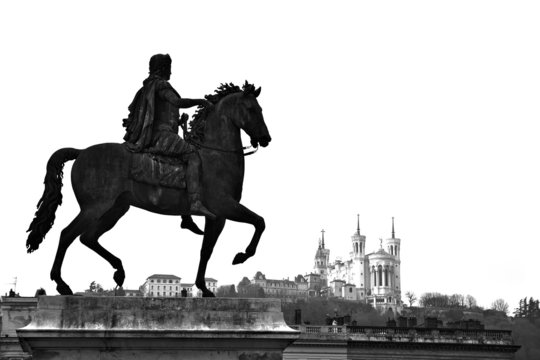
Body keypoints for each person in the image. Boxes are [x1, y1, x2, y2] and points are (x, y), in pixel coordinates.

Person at [123, 54, 215, 230]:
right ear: (163, 68)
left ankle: (186, 218)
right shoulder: (161, 85)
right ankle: (195, 202)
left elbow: (162, 112)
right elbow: (177, 102)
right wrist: (200, 102)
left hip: (158, 134)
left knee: (181, 162)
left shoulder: (147, 87)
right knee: (193, 155)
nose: (171, 71)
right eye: (169, 67)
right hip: (161, 136)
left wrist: (179, 123)